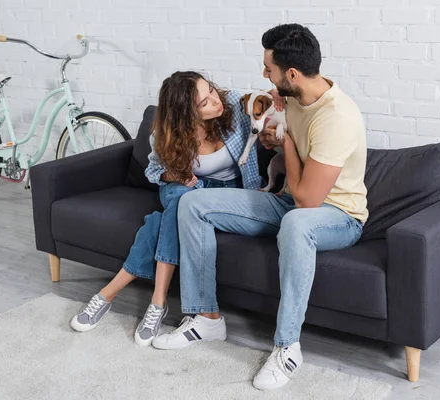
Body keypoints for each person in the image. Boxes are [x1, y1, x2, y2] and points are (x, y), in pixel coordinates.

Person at [151, 24, 369, 391]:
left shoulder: (338, 118)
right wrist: (274, 120)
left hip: (337, 217)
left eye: (269, 68)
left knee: (298, 224)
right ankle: (206, 318)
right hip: (287, 203)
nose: (265, 73)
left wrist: (283, 142)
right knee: (192, 203)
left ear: (292, 74)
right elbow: (261, 103)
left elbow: (307, 202)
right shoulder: (295, 96)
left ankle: (287, 347)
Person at [69, 71, 262, 347]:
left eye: (211, 91)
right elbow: (155, 171)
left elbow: (266, 101)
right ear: (186, 114)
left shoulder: (233, 106)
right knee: (181, 200)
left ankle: (112, 295)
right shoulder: (168, 132)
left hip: (226, 192)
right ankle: (157, 303)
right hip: (182, 186)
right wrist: (177, 176)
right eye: (203, 103)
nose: (214, 101)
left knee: (160, 220)